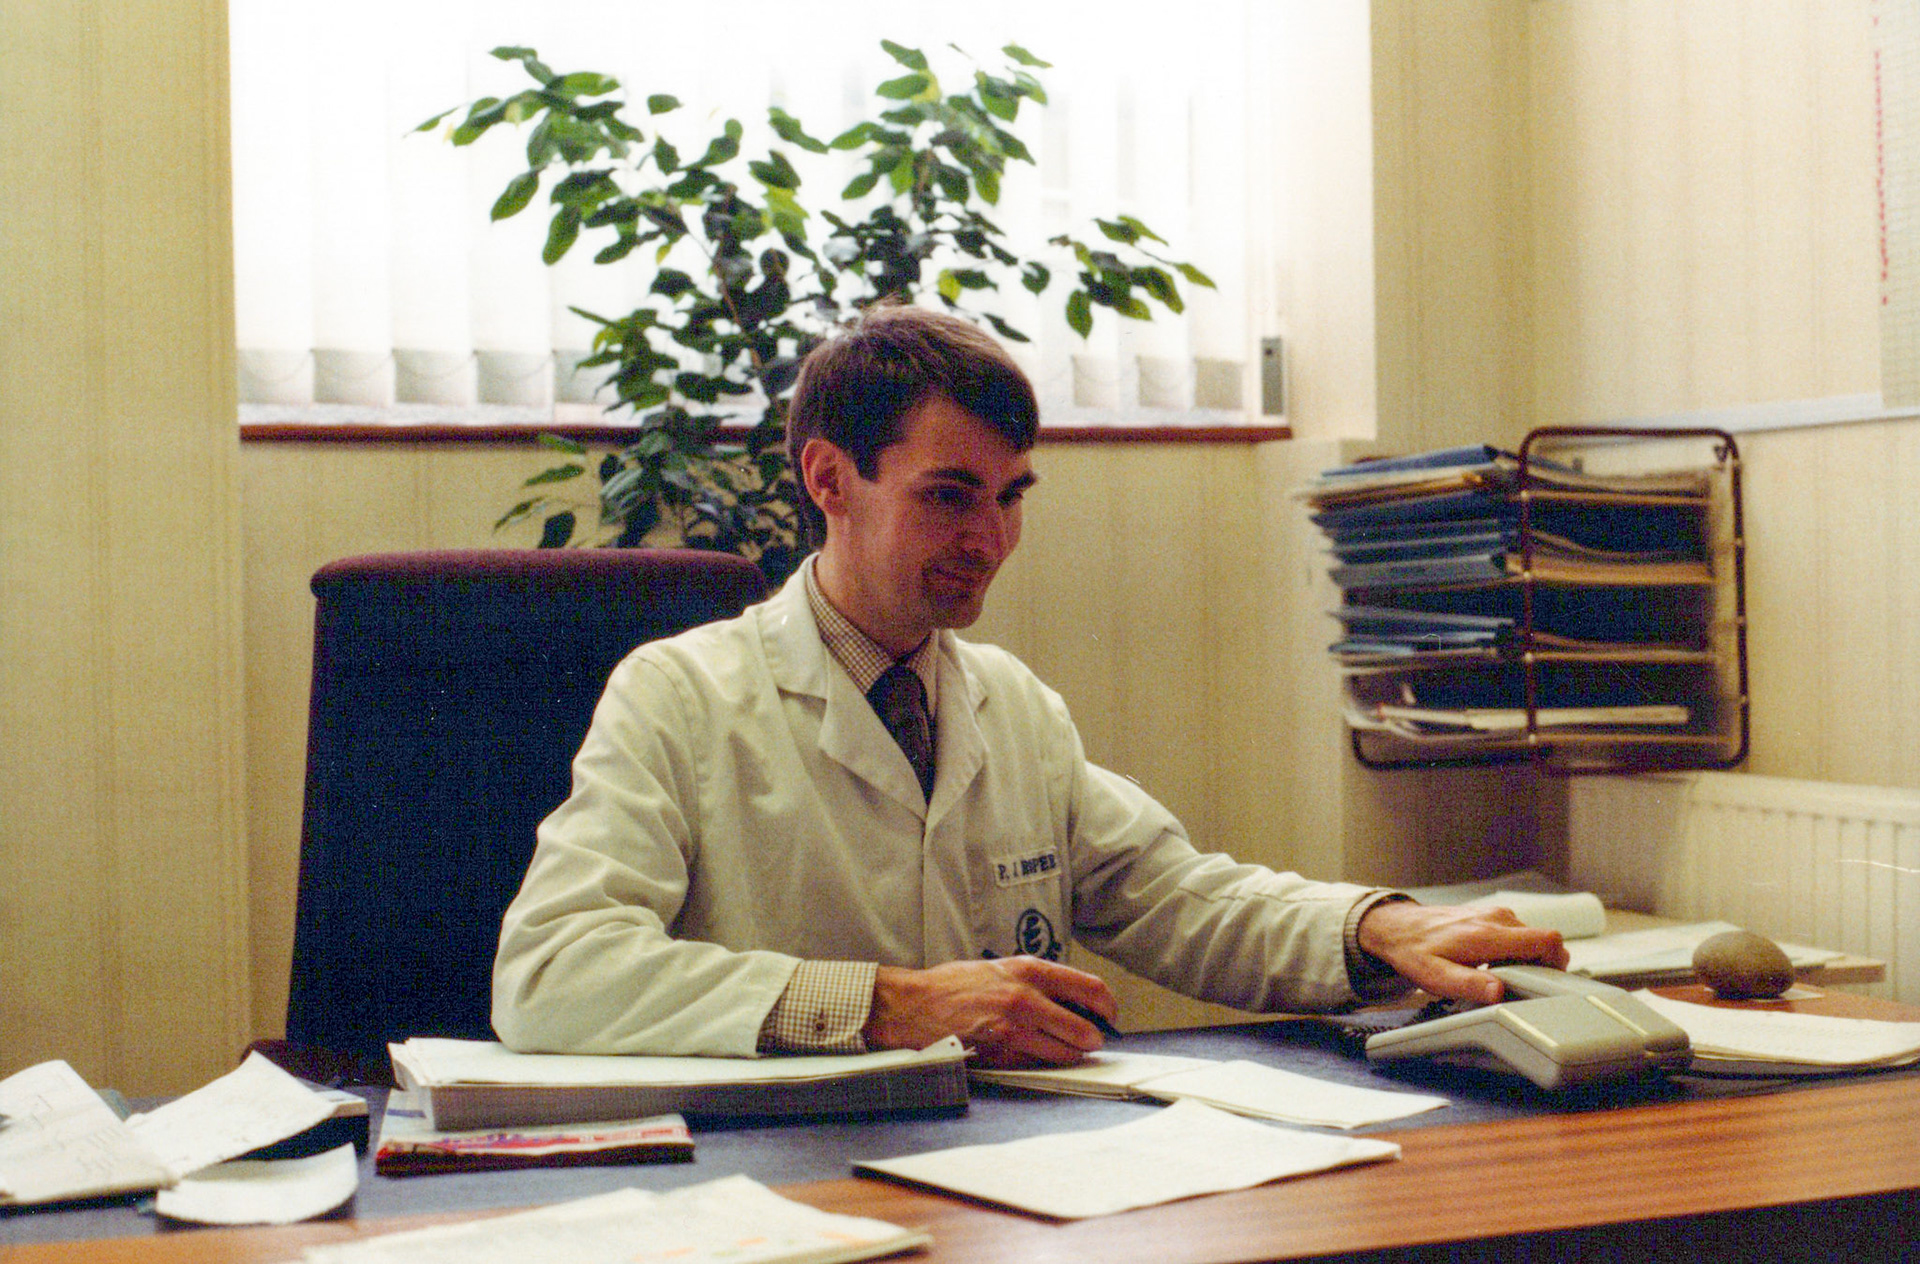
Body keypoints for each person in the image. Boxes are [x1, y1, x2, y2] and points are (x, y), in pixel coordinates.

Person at [492, 304, 1567, 1067]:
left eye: (1012, 497)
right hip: (779, 1177)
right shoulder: (678, 694)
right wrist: (886, 1006)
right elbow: (554, 973)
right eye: (951, 494)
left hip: (996, 1164)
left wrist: (1372, 927)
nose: (992, 539)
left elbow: (1176, 895)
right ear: (829, 478)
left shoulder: (1010, 703)